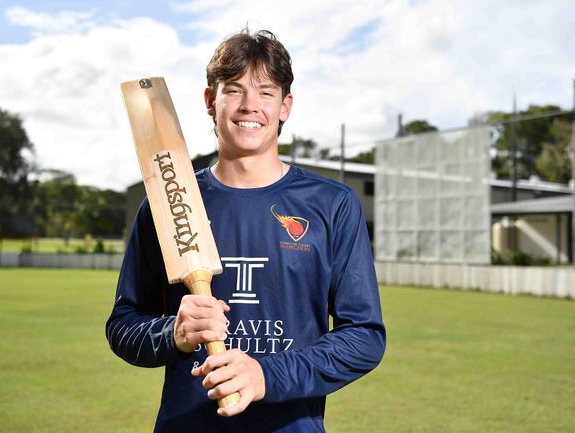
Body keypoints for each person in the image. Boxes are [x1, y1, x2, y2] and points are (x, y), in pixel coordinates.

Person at [106, 28, 385, 433]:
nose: (249, 106)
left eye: (266, 92)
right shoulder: (167, 203)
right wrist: (175, 333)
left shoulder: (332, 205)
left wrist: (267, 376)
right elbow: (123, 326)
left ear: (285, 106)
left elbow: (363, 337)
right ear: (209, 101)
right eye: (233, 90)